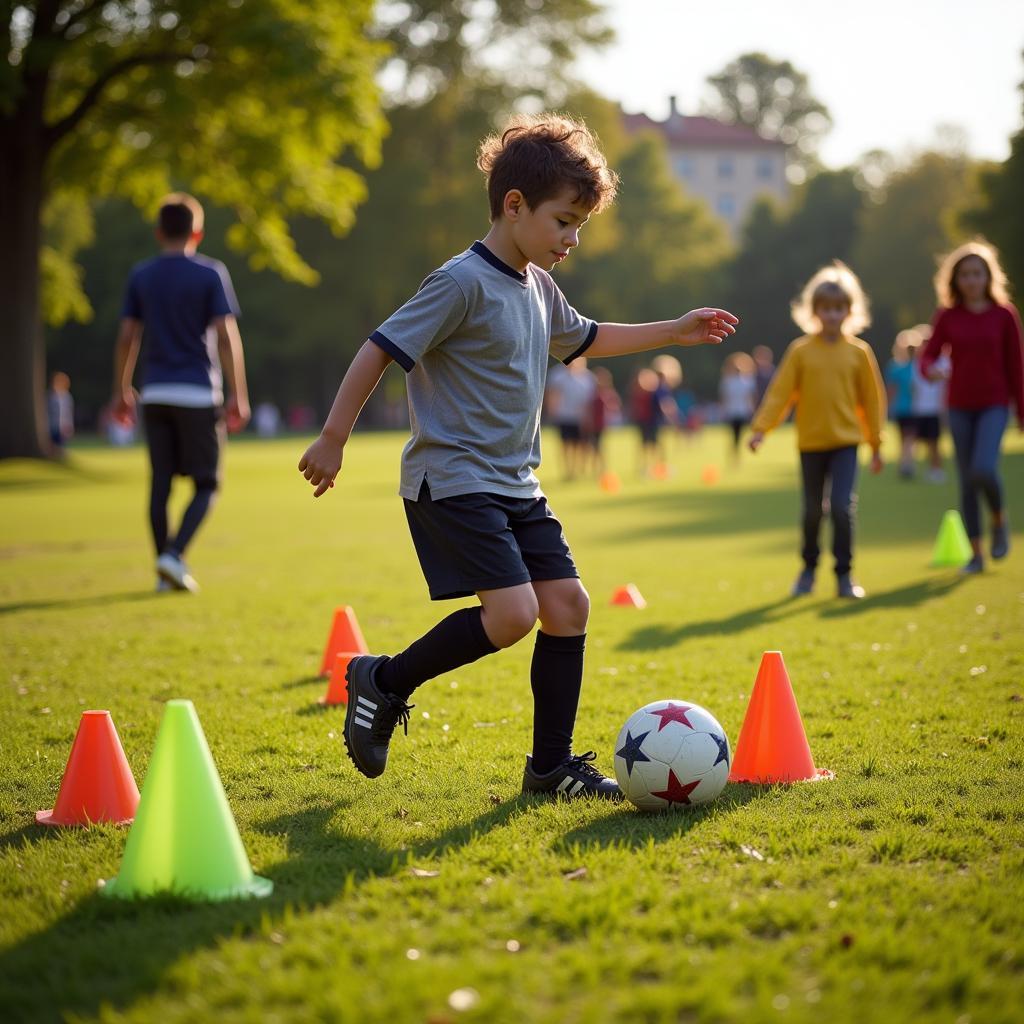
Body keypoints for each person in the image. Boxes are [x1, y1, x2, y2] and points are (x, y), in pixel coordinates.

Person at [298, 113, 738, 799]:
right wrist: (333, 436)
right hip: (452, 479)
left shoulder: (538, 285)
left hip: (516, 484)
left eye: (579, 225)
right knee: (511, 616)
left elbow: (586, 338)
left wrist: (671, 331)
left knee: (569, 606)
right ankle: (381, 680)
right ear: (513, 206)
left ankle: (549, 768)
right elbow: (379, 349)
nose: (572, 239)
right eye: (564, 222)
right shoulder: (460, 282)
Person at [111, 193, 250, 593]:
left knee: (160, 484)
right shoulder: (210, 273)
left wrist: (122, 389)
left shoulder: (142, 275)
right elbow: (226, 337)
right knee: (208, 484)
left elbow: (126, 337)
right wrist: (238, 394)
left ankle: (164, 570)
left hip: (155, 392)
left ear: (158, 233)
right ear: (198, 232)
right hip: (198, 393)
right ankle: (173, 556)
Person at [749, 261, 885, 599]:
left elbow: (873, 400)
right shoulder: (801, 351)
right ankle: (808, 570)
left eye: (839, 308)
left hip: (845, 445)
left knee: (841, 507)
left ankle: (844, 575)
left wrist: (876, 442)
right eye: (826, 308)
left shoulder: (859, 352)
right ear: (814, 310)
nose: (832, 315)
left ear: (849, 310)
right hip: (811, 444)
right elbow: (780, 393)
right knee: (812, 510)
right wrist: (761, 429)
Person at [920, 240, 1024, 574]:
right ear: (955, 279)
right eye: (964, 274)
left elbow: (1016, 366)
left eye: (977, 273)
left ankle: (998, 519)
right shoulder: (948, 316)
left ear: (988, 276)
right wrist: (931, 369)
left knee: (983, 469)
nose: (971, 280)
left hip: (995, 404)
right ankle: (976, 555)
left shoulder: (1005, 315)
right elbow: (928, 355)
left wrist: (1022, 412)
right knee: (966, 480)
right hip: (960, 406)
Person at [545, 357, 597, 480]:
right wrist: (552, 412)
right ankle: (568, 470)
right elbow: (552, 395)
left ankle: (577, 469)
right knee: (566, 444)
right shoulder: (557, 375)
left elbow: (591, 399)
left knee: (580, 444)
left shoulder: (588, 377)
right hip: (564, 416)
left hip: (581, 417)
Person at [909, 324, 947, 483]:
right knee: (924, 442)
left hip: (934, 409)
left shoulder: (943, 361)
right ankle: (930, 468)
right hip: (920, 409)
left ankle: (937, 470)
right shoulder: (917, 363)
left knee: (934, 442)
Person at [885, 330, 918, 478]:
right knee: (909, 438)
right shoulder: (914, 368)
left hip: (903, 408)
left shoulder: (896, 367)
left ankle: (905, 463)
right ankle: (907, 464)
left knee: (905, 438)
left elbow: (891, 391)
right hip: (911, 409)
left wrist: (889, 407)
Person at [718, 351, 756, 461]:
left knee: (739, 434)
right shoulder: (728, 381)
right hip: (731, 411)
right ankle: (735, 452)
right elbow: (724, 397)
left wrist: (751, 409)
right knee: (734, 434)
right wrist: (723, 409)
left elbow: (750, 397)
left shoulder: (747, 381)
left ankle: (735, 452)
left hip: (742, 411)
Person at [588, 365, 621, 474]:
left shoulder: (608, 393)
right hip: (593, 424)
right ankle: (596, 468)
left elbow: (615, 407)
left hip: (602, 424)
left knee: (599, 446)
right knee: (593, 447)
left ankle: (602, 468)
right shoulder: (593, 392)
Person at [47, 371, 74, 454]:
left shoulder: (67, 397)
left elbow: (68, 413)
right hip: (52, 425)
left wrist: (69, 425)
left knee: (61, 444)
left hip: (63, 425)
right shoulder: (50, 396)